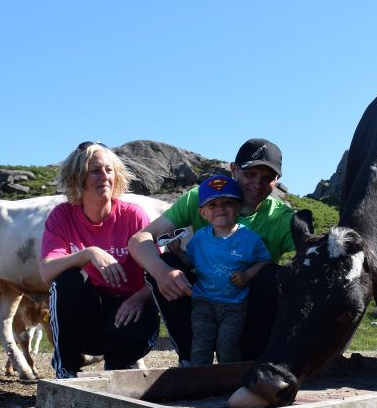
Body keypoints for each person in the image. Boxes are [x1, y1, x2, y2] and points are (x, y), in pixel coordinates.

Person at [128, 138, 300, 364]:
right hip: (202, 299)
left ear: (277, 180)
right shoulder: (202, 197)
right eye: (250, 174)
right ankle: (190, 358)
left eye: (267, 177)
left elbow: (312, 262)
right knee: (168, 262)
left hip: (247, 307)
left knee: (272, 275)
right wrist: (161, 272)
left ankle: (251, 359)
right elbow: (140, 240)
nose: (257, 184)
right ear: (234, 169)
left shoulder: (282, 219)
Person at [40, 141, 159, 378]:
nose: (104, 176)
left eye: (109, 170)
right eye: (95, 171)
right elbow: (46, 272)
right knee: (66, 281)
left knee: (128, 335)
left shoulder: (133, 216)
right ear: (78, 178)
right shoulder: (62, 216)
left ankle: (118, 368)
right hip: (90, 314)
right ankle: (66, 368)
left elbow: (158, 272)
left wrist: (138, 299)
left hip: (129, 307)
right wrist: (88, 253)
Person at [168, 175, 271, 366]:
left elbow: (265, 261)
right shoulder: (199, 238)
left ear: (238, 207)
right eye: (212, 205)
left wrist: (248, 274)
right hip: (203, 302)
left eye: (227, 203)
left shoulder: (251, 239)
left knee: (227, 346)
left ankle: (227, 380)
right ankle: (199, 379)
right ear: (203, 212)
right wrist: (177, 252)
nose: (220, 209)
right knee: (201, 344)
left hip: (235, 305)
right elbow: (190, 262)